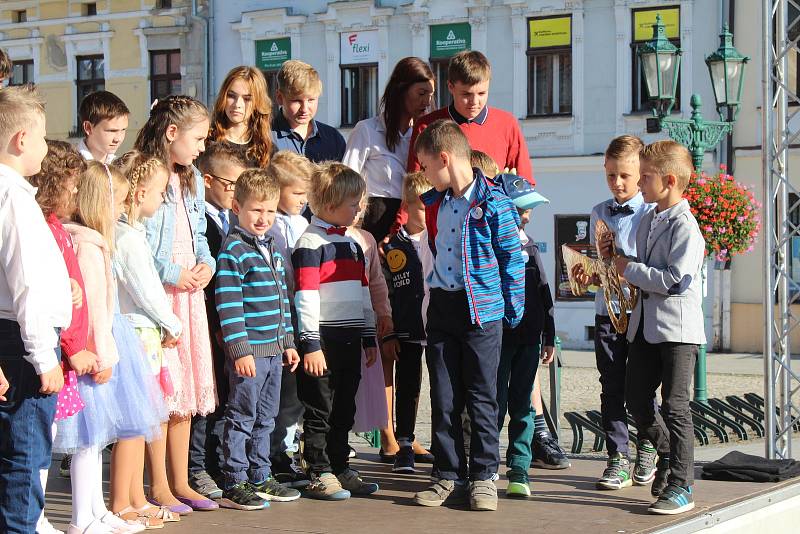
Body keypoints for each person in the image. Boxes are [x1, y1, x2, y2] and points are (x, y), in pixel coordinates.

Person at [411, 119, 524, 512]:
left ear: (444, 158)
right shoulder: (437, 201)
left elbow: (512, 258)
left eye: (425, 166)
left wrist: (511, 312)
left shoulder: (494, 201)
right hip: (443, 305)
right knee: (443, 396)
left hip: (481, 312)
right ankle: (447, 475)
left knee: (481, 397)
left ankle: (484, 477)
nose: (423, 174)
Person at [57, 161, 166, 533]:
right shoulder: (87, 245)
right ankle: (81, 517)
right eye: (117, 201)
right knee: (88, 439)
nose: (121, 209)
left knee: (95, 439)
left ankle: (95, 510)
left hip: (105, 342)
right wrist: (101, 354)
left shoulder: (93, 242)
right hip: (96, 347)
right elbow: (91, 310)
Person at [135, 95, 219, 513]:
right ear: (172, 133)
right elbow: (137, 242)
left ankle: (182, 480)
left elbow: (199, 233)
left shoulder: (193, 179)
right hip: (160, 295)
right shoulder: (146, 175)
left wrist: (207, 263)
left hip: (191, 294)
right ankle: (159, 484)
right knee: (163, 391)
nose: (202, 148)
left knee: (186, 390)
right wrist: (172, 273)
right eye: (198, 138)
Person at [615, 140, 705, 515]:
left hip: (677, 332)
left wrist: (630, 269)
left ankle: (682, 484)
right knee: (636, 399)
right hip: (645, 327)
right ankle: (666, 453)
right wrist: (616, 261)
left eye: (646, 177)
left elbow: (675, 280)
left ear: (669, 181)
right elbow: (641, 265)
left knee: (676, 407)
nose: (639, 185)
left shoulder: (687, 226)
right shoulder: (649, 218)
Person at [0, 86, 72, 533]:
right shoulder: (15, 200)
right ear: (22, 139)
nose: (47, 149)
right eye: (44, 138)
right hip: (24, 344)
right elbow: (25, 284)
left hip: (16, 337)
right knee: (25, 458)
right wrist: (43, 357)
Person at [214, 168, 301, 510]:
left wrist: (289, 342)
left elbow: (283, 302)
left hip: (274, 352)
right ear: (237, 207)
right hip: (249, 353)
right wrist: (240, 350)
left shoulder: (273, 250)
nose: (264, 218)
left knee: (268, 416)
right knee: (242, 414)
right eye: (256, 210)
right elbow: (229, 303)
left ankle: (260, 473)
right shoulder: (233, 251)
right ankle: (234, 478)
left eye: (270, 210)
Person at [291, 162, 380, 500]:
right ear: (329, 205)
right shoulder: (310, 244)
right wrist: (310, 344)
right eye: (353, 203)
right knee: (320, 410)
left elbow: (363, 292)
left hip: (350, 337)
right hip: (322, 340)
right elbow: (306, 297)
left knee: (344, 408)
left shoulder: (353, 244)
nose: (358, 209)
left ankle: (340, 465)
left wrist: (369, 336)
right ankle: (318, 470)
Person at [113, 151, 186, 526]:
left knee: (142, 421)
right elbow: (147, 291)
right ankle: (122, 501)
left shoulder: (132, 236)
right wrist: (172, 323)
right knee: (133, 420)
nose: (162, 200)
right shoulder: (127, 239)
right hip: (136, 333)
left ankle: (137, 497)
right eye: (159, 192)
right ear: (139, 193)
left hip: (144, 332)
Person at [27, 140, 96, 534]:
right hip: (55, 348)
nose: (74, 192)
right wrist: (73, 347)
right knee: (37, 444)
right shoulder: (43, 228)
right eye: (70, 185)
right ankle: (33, 518)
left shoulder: (56, 227)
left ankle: (37, 517)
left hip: (64, 350)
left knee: (45, 440)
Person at [578, 135, 654, 491]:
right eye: (611, 175)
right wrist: (592, 263)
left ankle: (648, 446)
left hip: (640, 311)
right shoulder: (598, 212)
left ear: (641, 173)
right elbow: (596, 268)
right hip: (607, 310)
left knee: (642, 384)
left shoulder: (651, 212)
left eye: (624, 175)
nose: (618, 183)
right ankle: (617, 456)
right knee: (611, 384)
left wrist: (622, 256)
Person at [187, 141, 248, 500]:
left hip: (230, 323)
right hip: (208, 318)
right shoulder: (202, 220)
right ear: (207, 180)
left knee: (224, 397)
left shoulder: (232, 217)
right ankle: (197, 467)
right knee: (206, 398)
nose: (235, 193)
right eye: (230, 185)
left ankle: (217, 462)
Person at [492, 174, 554, 498]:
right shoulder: (492, 245)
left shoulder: (530, 245)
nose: (527, 216)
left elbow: (544, 294)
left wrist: (549, 337)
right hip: (499, 338)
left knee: (523, 407)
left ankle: (520, 470)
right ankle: (487, 467)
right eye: (521, 209)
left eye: (529, 210)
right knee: (495, 404)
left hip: (529, 339)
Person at [343, 57, 435, 244]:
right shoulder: (367, 130)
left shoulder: (424, 136)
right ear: (401, 90)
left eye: (431, 95)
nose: (426, 101)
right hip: (375, 222)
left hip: (414, 223)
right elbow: (345, 183)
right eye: (421, 93)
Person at [408, 50, 533, 186]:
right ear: (450, 86)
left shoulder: (507, 124)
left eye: (481, 93)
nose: (474, 101)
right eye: (466, 94)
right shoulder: (427, 126)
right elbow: (415, 186)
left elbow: (525, 184)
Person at [265, 150, 315, 489]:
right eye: (297, 193)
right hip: (278, 314)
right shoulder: (269, 224)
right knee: (278, 391)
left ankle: (284, 449)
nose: (303, 200)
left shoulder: (301, 222)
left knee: (295, 394)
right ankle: (272, 453)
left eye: (305, 194)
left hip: (299, 313)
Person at [382, 171, 434, 474]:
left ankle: (444, 444)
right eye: (422, 208)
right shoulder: (392, 246)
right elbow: (387, 291)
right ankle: (403, 444)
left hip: (438, 326)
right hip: (408, 327)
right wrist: (390, 331)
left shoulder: (441, 239)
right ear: (407, 205)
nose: (427, 214)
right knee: (408, 385)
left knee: (442, 388)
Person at [271, 60, 345, 163]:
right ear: (279, 97)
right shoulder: (265, 137)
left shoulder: (333, 138)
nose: (304, 109)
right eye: (297, 101)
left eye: (311, 100)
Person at [209, 66, 274, 168]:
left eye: (247, 99)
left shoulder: (266, 151)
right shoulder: (205, 142)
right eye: (231, 96)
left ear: (257, 103)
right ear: (223, 96)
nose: (237, 104)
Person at [77, 90, 130, 164]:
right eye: (112, 131)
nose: (118, 139)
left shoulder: (122, 167)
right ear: (88, 128)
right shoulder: (69, 169)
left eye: (123, 130)